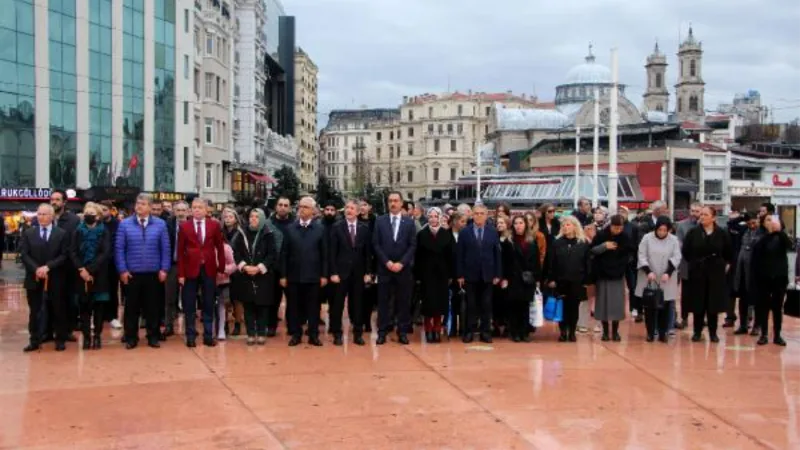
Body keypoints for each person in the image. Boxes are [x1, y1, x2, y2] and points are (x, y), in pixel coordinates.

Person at [115, 193, 171, 349]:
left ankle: (153, 336)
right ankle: (131, 337)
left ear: (150, 207)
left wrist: (164, 269)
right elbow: (119, 249)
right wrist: (122, 270)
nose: (139, 206)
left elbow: (165, 249)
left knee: (152, 307)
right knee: (131, 308)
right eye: (137, 203)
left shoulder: (160, 224)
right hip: (132, 273)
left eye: (143, 204)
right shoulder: (124, 224)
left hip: (153, 273)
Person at [20, 204, 70, 352]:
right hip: (33, 278)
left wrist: (48, 267)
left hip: (55, 278)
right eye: (39, 214)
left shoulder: (61, 233)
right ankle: (34, 339)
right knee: (34, 310)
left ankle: (60, 339)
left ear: (52, 216)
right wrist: (36, 269)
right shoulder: (29, 233)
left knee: (58, 308)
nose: (41, 217)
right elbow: (24, 254)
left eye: (45, 214)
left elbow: (64, 255)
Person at [280, 196, 329, 347]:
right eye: (300, 206)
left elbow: (325, 255)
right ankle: (296, 334)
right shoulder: (290, 229)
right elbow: (284, 254)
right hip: (294, 276)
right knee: (294, 307)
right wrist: (283, 275)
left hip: (313, 276)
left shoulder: (320, 229)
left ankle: (313, 335)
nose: (302, 209)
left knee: (313, 307)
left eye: (306, 207)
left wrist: (324, 275)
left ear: (313, 211)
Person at [177, 198, 226, 348]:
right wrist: (181, 274)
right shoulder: (184, 227)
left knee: (208, 303)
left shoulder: (214, 225)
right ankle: (190, 336)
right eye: (194, 207)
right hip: (190, 270)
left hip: (209, 269)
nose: (196, 210)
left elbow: (220, 247)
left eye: (200, 207)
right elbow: (180, 252)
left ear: (206, 210)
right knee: (189, 304)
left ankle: (208, 335)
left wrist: (221, 268)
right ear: (191, 210)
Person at [682, 206, 732, 343]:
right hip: (697, 271)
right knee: (698, 303)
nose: (702, 217)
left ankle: (713, 332)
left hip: (715, 272)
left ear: (713, 217)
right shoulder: (693, 232)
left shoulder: (722, 233)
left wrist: (725, 264)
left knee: (713, 304)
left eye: (705, 214)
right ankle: (697, 332)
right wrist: (694, 263)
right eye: (701, 214)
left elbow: (728, 252)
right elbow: (686, 251)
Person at [372, 191, 417, 345]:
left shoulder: (409, 222)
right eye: (390, 200)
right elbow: (376, 244)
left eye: (396, 200)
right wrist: (387, 262)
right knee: (383, 302)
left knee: (403, 302)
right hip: (385, 269)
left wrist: (401, 263)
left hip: (403, 270)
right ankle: (382, 332)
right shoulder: (380, 221)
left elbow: (412, 246)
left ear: (401, 202)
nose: (393, 203)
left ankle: (402, 331)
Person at [456, 203, 502, 344]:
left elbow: (497, 254)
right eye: (476, 213)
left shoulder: (492, 232)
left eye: (482, 213)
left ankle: (485, 332)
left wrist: (498, 274)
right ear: (472, 215)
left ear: (486, 215)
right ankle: (469, 332)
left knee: (486, 305)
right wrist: (460, 275)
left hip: (488, 275)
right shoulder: (464, 232)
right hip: (470, 275)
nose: (479, 216)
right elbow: (459, 255)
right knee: (471, 305)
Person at [329, 200, 373, 346]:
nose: (349, 210)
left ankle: (358, 333)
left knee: (357, 304)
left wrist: (368, 272)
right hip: (340, 274)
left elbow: (368, 253)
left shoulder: (364, 228)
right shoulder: (336, 227)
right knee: (337, 305)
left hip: (358, 274)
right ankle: (337, 333)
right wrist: (333, 272)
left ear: (358, 211)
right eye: (347, 208)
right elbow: (332, 252)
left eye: (352, 208)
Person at [69, 202, 112, 350]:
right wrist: (82, 269)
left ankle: (97, 336)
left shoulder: (104, 231)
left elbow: (105, 252)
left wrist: (91, 270)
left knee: (99, 308)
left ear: (98, 216)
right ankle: (86, 337)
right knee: (84, 308)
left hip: (99, 274)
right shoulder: (78, 231)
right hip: (80, 274)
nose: (88, 216)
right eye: (86, 213)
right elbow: (72, 251)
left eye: (92, 214)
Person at [232, 209, 277, 345]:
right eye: (251, 216)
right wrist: (245, 267)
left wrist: (259, 267)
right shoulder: (241, 233)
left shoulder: (268, 234)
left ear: (262, 219)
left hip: (263, 275)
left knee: (262, 306)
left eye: (257, 217)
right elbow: (236, 252)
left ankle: (261, 332)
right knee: (249, 305)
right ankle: (251, 333)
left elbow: (272, 254)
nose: (253, 219)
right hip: (246, 275)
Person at [636, 216, 681, 342]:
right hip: (650, 276)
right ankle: (650, 332)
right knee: (650, 305)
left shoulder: (674, 240)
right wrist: (648, 271)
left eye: (664, 230)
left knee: (665, 305)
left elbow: (677, 256)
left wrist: (668, 272)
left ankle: (663, 332)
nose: (661, 233)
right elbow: (641, 255)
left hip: (667, 277)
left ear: (669, 230)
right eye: (659, 230)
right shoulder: (647, 238)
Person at [546, 215, 590, 342]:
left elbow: (587, 263)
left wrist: (587, 280)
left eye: (568, 225)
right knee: (562, 307)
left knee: (574, 308)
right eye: (563, 225)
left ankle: (572, 332)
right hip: (561, 280)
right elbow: (551, 262)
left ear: (575, 226)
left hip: (577, 280)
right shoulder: (557, 243)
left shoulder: (582, 243)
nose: (565, 227)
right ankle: (563, 332)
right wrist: (551, 279)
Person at [591, 214, 635, 342]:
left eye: (620, 228)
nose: (617, 231)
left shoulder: (625, 237)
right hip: (603, 273)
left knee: (617, 304)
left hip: (618, 274)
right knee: (603, 303)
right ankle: (605, 332)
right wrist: (604, 246)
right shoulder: (601, 235)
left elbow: (630, 252)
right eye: (615, 228)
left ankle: (615, 331)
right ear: (610, 226)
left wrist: (624, 261)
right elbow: (592, 250)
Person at [414, 207, 454, 344]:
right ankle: (428, 329)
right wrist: (418, 276)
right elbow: (417, 257)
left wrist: (450, 275)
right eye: (430, 216)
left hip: (442, 274)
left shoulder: (446, 234)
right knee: (428, 303)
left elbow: (451, 256)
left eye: (435, 216)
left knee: (439, 304)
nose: (433, 219)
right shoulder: (421, 234)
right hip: (426, 274)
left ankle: (437, 329)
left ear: (439, 217)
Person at [751, 215, 792, 346]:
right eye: (768, 220)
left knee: (777, 307)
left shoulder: (782, 236)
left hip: (779, 276)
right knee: (763, 306)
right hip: (763, 276)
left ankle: (777, 334)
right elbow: (757, 250)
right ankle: (763, 334)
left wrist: (779, 231)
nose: (771, 223)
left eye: (774, 220)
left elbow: (789, 246)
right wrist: (769, 233)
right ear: (763, 223)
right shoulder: (760, 236)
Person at [49, 190, 80, 341]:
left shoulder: (73, 220)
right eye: (52, 199)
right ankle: (47, 331)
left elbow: (76, 244)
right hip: (48, 267)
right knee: (47, 301)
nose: (54, 202)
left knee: (68, 301)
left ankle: (67, 331)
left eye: (57, 199)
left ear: (64, 202)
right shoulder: (43, 218)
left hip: (68, 268)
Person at [507, 215, 543, 342]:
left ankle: (525, 332)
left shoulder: (532, 241)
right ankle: (515, 332)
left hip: (528, 278)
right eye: (516, 223)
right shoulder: (509, 241)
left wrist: (537, 278)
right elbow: (505, 261)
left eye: (521, 223)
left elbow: (537, 261)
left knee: (526, 306)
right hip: (514, 278)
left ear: (526, 225)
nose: (518, 225)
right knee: (514, 306)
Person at [731, 214, 761, 335]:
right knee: (743, 300)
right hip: (741, 270)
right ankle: (743, 325)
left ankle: (756, 325)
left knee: (756, 300)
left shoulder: (762, 232)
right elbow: (731, 224)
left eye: (754, 223)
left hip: (754, 272)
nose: (752, 225)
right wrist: (743, 218)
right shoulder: (743, 230)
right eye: (750, 223)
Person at [267, 196, 293, 336]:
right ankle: (271, 326)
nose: (283, 207)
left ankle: (292, 325)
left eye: (286, 205)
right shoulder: (268, 224)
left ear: (289, 207)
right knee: (272, 298)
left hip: (290, 268)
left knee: (293, 299)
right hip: (273, 267)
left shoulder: (295, 224)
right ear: (276, 206)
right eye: (280, 204)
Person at [164, 201, 189, 337]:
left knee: (188, 297)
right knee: (170, 297)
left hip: (188, 266)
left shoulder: (193, 225)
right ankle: (168, 326)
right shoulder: (167, 225)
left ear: (188, 211)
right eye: (178, 210)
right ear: (174, 211)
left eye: (183, 210)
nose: (180, 213)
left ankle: (189, 326)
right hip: (172, 265)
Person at [674, 202, 700, 329]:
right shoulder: (681, 226)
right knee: (686, 293)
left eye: (697, 211)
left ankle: (700, 317)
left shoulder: (705, 225)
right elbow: (678, 244)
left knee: (701, 293)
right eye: (693, 211)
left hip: (701, 266)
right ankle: (684, 318)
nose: (694, 214)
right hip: (686, 264)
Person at [221, 207, 245, 336]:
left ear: (236, 219)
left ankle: (237, 324)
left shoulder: (241, 233)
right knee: (224, 299)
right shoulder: (220, 232)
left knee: (237, 299)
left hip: (238, 270)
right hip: (223, 270)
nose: (228, 219)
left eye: (230, 217)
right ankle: (224, 324)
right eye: (226, 217)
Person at [99, 201, 122, 329]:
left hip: (112, 263)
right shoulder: (97, 224)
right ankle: (99, 316)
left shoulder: (117, 224)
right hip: (98, 264)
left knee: (113, 290)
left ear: (110, 210)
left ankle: (113, 316)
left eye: (105, 210)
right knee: (99, 291)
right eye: (101, 210)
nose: (103, 212)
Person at [446, 212, 467, 337]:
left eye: (465, 221)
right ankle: (452, 326)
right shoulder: (446, 235)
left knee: (464, 302)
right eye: (462, 221)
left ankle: (464, 327)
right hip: (451, 275)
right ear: (454, 221)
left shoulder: (466, 235)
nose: (464, 224)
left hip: (465, 274)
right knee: (452, 301)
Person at [492, 215, 513, 337]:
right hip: (495, 275)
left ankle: (507, 326)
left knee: (506, 302)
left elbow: (510, 261)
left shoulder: (510, 240)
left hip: (506, 276)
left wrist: (506, 277)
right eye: (498, 223)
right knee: (495, 302)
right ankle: (495, 325)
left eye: (502, 223)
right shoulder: (494, 237)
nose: (499, 225)